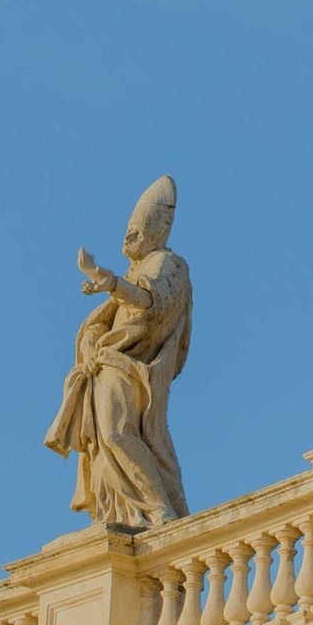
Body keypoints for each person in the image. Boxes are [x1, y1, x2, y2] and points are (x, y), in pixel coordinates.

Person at [53, 179, 194, 532]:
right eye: (126, 232)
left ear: (158, 230)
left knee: (116, 432)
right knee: (104, 442)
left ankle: (160, 509)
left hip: (131, 368)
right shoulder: (135, 270)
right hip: (105, 365)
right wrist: (90, 340)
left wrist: (111, 281)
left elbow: (152, 303)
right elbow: (100, 322)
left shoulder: (169, 264)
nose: (127, 239)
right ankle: (119, 512)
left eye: (135, 232)